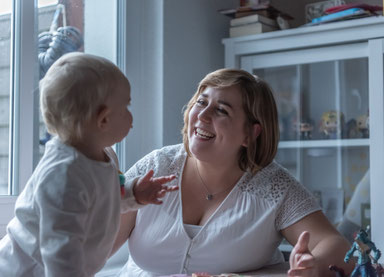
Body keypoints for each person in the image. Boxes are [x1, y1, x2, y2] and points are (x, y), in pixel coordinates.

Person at [112, 68, 354, 277]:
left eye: (222, 110)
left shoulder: (273, 186)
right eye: (201, 102)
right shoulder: (157, 165)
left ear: (251, 133)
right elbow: (98, 240)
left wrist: (314, 266)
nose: (203, 116)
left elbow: (335, 245)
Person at [0, 52, 177, 277]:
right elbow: (60, 250)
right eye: (126, 107)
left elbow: (101, 199)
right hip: (29, 270)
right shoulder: (64, 175)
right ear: (103, 119)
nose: (131, 117)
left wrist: (134, 193)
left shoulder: (101, 154)